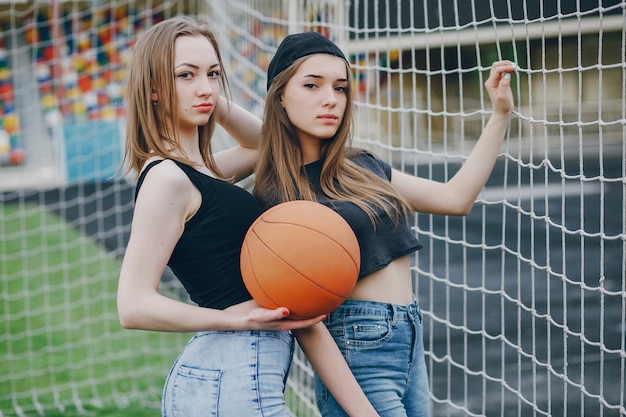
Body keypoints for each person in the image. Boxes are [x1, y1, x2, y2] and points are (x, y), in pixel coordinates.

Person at [116, 17, 379, 417]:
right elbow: (133, 306)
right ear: (152, 88)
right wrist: (238, 320)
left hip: (242, 377)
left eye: (213, 74)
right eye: (184, 75)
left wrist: (207, 97)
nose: (204, 87)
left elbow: (271, 141)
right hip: (230, 375)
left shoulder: (204, 172)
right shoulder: (166, 178)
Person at [253, 31, 517, 417]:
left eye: (341, 88)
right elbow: (305, 322)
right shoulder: (276, 197)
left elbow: (455, 199)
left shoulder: (362, 166)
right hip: (355, 350)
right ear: (279, 95)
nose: (331, 99)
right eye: (312, 85)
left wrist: (500, 114)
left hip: (410, 335)